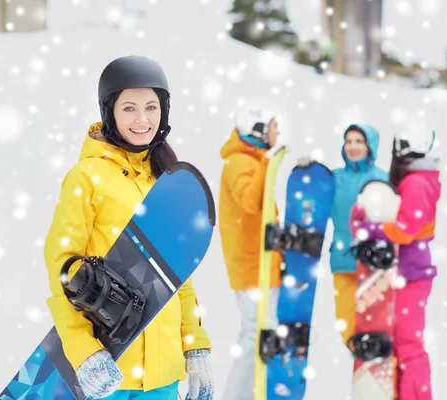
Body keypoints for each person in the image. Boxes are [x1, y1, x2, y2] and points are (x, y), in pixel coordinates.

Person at [43, 55, 214, 400]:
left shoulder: (165, 179)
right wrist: (83, 351)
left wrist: (195, 346)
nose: (142, 120)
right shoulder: (87, 177)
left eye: (152, 108)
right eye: (129, 108)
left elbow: (178, 277)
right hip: (107, 374)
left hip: (163, 377)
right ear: (110, 113)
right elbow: (61, 266)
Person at [349, 126, 441, 400]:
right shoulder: (417, 178)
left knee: (408, 346)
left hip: (411, 274)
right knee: (402, 346)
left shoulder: (415, 182)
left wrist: (368, 228)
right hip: (408, 272)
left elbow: (404, 229)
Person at [218, 107, 283, 400]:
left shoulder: (250, 161)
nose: (277, 132)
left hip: (261, 262)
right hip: (250, 266)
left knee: (261, 334)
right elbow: (250, 200)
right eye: (273, 126)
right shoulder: (239, 162)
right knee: (254, 334)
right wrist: (269, 164)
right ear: (257, 129)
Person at [328, 124, 388, 346]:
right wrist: (309, 178)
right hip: (343, 261)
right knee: (345, 321)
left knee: (374, 321)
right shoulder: (334, 178)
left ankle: (374, 356)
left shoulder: (384, 178)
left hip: (375, 264)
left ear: (370, 146)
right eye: (349, 141)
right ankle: (357, 354)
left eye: (359, 142)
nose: (352, 147)